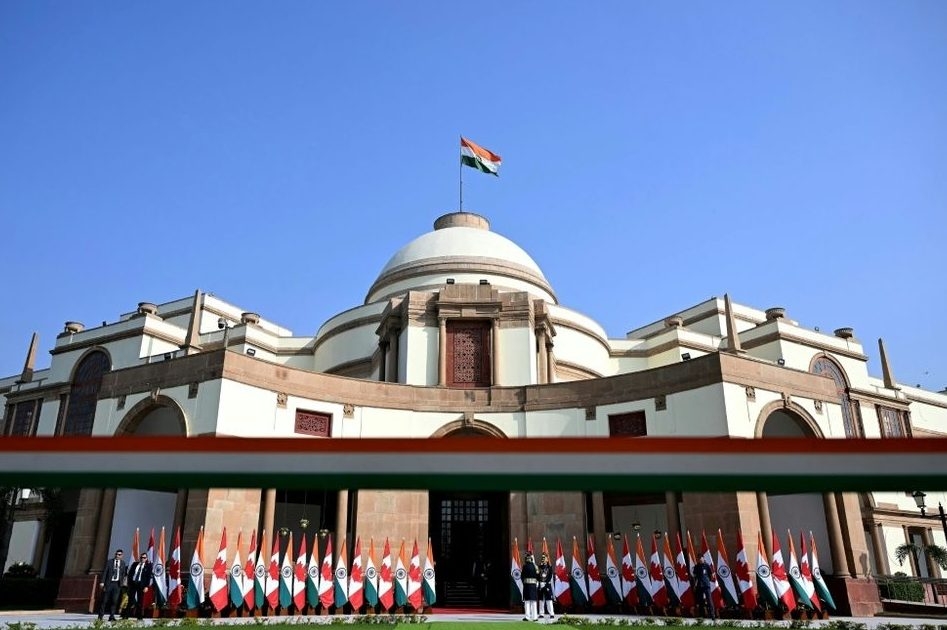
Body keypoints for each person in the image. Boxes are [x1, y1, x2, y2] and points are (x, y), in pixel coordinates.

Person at [98, 549, 128, 621]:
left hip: (117, 584)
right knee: (104, 601)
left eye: (119, 555)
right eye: (117, 554)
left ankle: (111, 616)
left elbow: (123, 573)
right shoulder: (110, 562)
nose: (118, 556)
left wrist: (122, 582)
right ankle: (100, 616)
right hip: (109, 583)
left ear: (122, 556)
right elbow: (105, 572)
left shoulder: (123, 563)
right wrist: (102, 582)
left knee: (114, 601)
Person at [127, 552, 153, 620]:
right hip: (133, 584)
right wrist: (129, 583)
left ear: (146, 559)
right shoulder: (135, 564)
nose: (142, 559)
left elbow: (148, 577)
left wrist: (146, 586)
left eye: (144, 558)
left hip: (141, 585)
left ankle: (139, 616)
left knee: (140, 601)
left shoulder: (148, 566)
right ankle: (126, 615)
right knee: (130, 600)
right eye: (141, 557)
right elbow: (130, 574)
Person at [692, 556, 716, 620]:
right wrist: (695, 585)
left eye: (700, 558)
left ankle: (712, 615)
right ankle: (702, 615)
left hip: (706, 585)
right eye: (698, 559)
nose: (699, 560)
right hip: (699, 585)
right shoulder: (696, 567)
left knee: (709, 600)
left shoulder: (707, 565)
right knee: (700, 601)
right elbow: (695, 577)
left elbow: (711, 574)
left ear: (703, 558)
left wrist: (709, 579)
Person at [537, 552, 555, 620]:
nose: (543, 559)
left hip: (547, 585)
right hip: (540, 585)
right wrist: (540, 583)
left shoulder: (549, 567)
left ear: (547, 559)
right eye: (542, 558)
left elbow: (550, 576)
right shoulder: (539, 567)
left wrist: (546, 584)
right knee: (541, 600)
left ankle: (551, 613)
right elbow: (537, 576)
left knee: (549, 600)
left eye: (544, 558)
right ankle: (541, 614)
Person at [521, 552, 539, 621]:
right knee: (534, 602)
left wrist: (524, 582)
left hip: (527, 586)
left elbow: (522, 576)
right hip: (533, 586)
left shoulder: (525, 566)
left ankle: (527, 617)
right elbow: (538, 576)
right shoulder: (535, 566)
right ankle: (535, 617)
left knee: (527, 602)